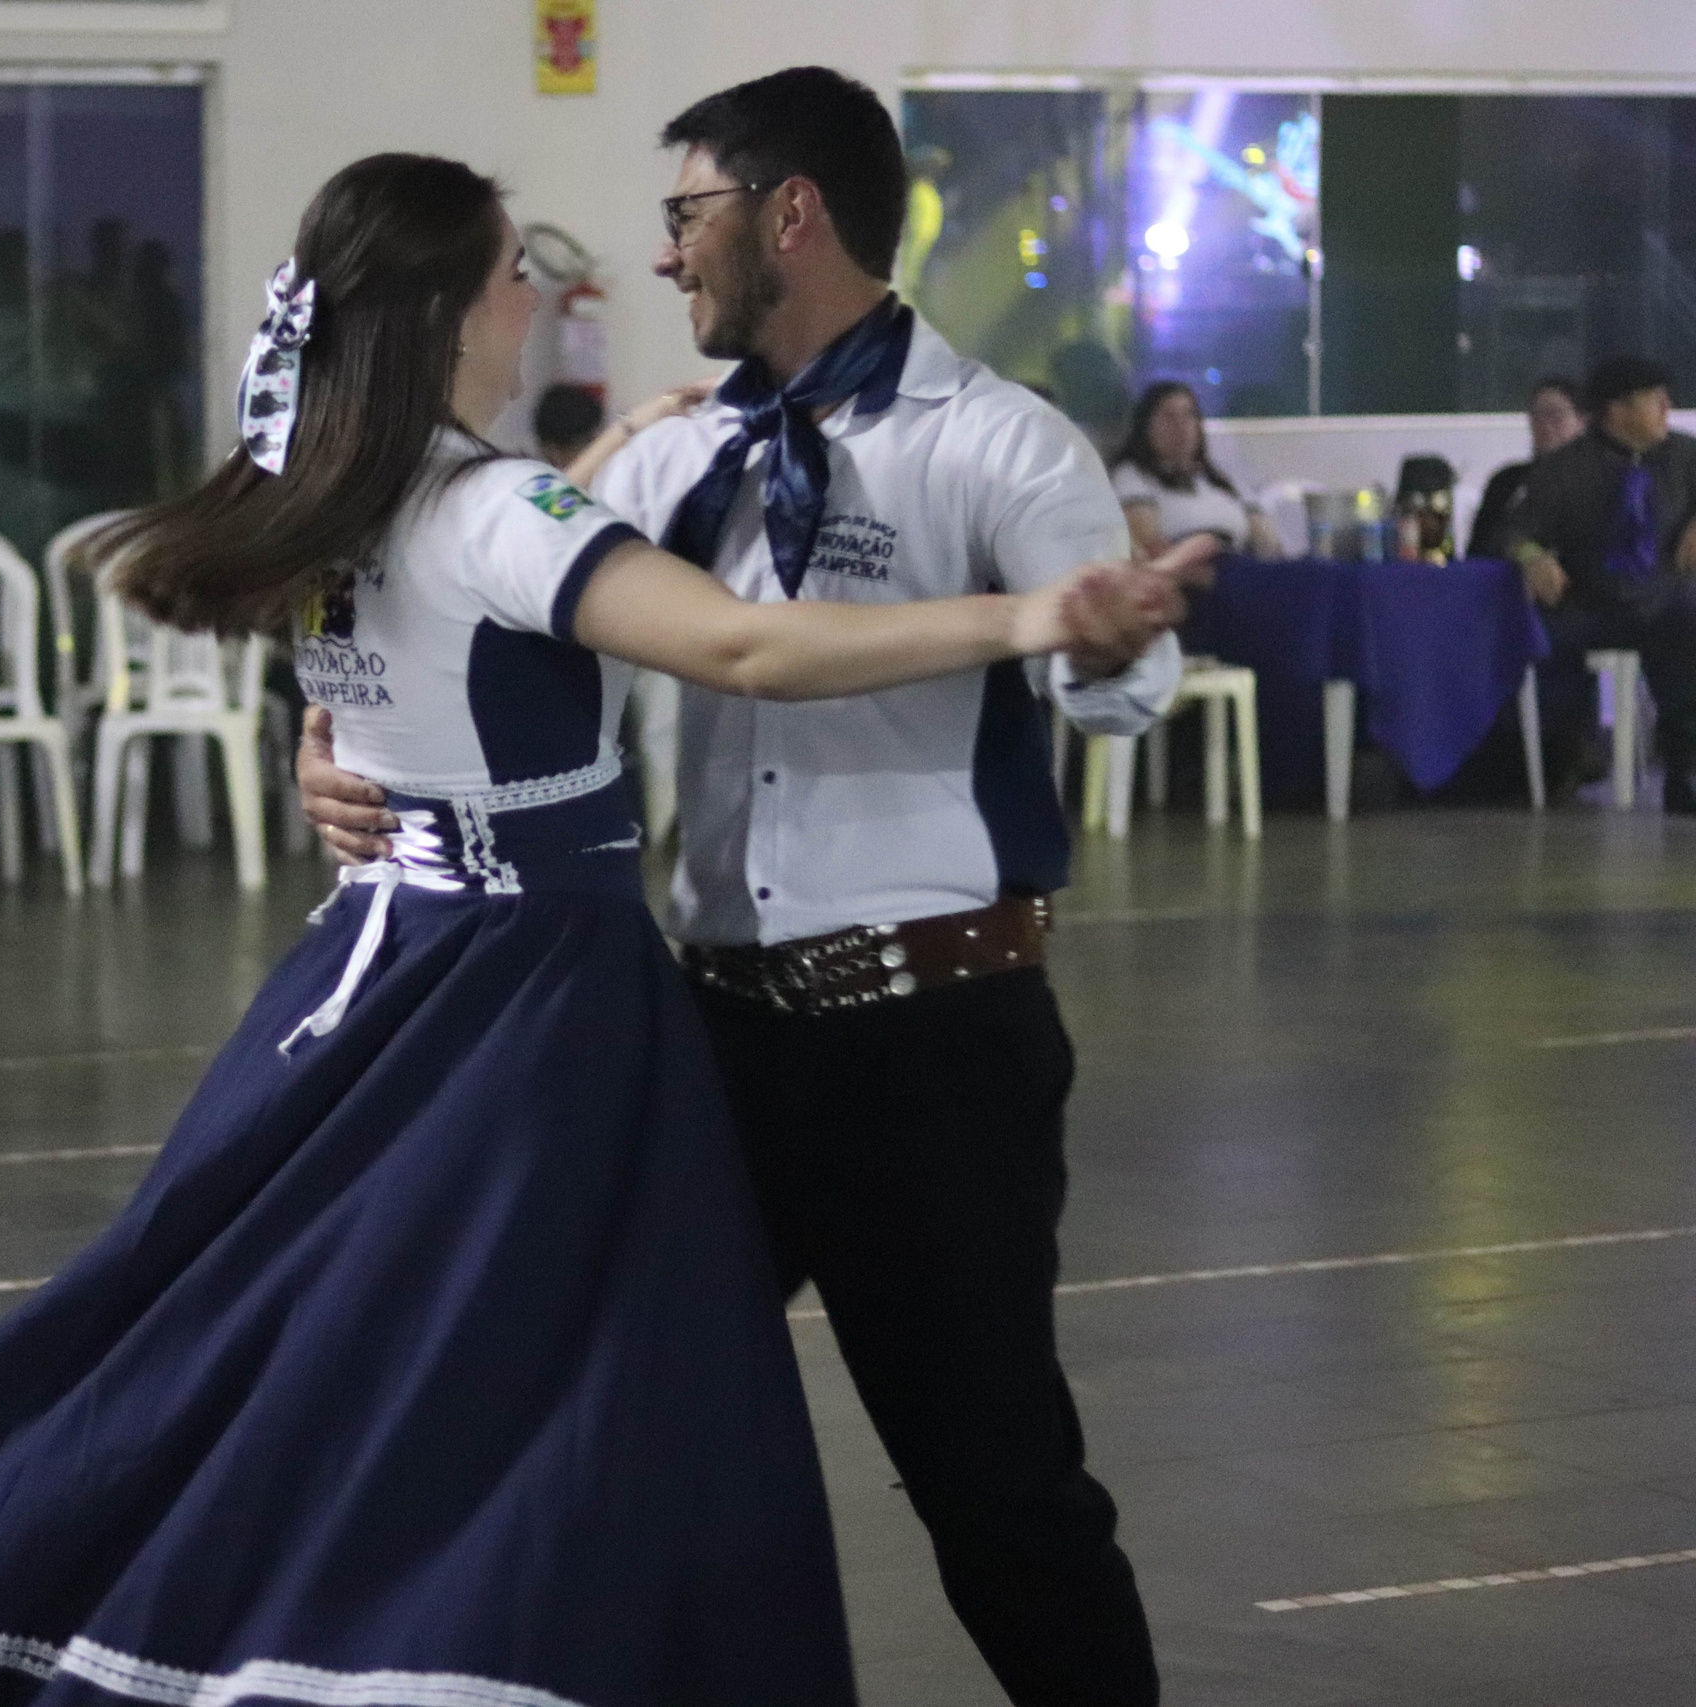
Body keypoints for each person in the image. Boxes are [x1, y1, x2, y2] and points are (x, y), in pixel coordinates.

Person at [0, 151, 1191, 1703]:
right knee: (502, 1381)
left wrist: (339, 736)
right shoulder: (492, 506)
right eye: (512, 274)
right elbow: (747, 641)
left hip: (383, 975)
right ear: (442, 309)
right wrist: (1029, 615)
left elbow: (384, 684)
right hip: (528, 1011)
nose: (540, 297)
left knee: (318, 1357)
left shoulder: (343, 492)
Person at [302, 70, 1196, 1707]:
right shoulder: (673, 462)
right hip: (710, 1042)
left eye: (685, 212)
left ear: (791, 211)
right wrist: (342, 746)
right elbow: (486, 628)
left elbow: (1118, 687)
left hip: (933, 1040)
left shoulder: (993, 440)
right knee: (617, 1426)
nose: (664, 256)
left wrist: (1111, 646)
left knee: (994, 1486)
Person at [1507, 353, 1696, 811]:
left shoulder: (1683, 455)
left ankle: (1681, 769)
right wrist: (1533, 557)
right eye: (1654, 401)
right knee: (1540, 639)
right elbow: (1515, 530)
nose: (1666, 410)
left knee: (1683, 627)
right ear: (1617, 411)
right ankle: (1563, 760)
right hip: (1592, 604)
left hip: (1664, 597)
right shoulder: (1565, 468)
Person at [1111, 379, 1284, 558]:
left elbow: (1267, 537)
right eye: (1169, 417)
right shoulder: (1133, 477)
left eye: (1189, 415)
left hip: (1240, 566)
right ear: (1146, 426)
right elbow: (1149, 548)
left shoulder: (1218, 478)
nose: (1181, 426)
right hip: (1188, 572)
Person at [1468, 375, 1587, 561]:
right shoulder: (1506, 481)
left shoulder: (1596, 480)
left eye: (1556, 415)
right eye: (1537, 415)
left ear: (1581, 421)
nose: (1545, 425)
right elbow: (1480, 549)